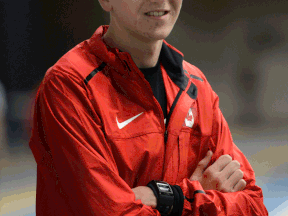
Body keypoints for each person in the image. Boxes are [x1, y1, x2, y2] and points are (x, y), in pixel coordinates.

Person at [29, 0, 268, 215]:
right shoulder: (70, 87)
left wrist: (166, 198)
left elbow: (254, 205)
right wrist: (198, 196)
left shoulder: (197, 87)